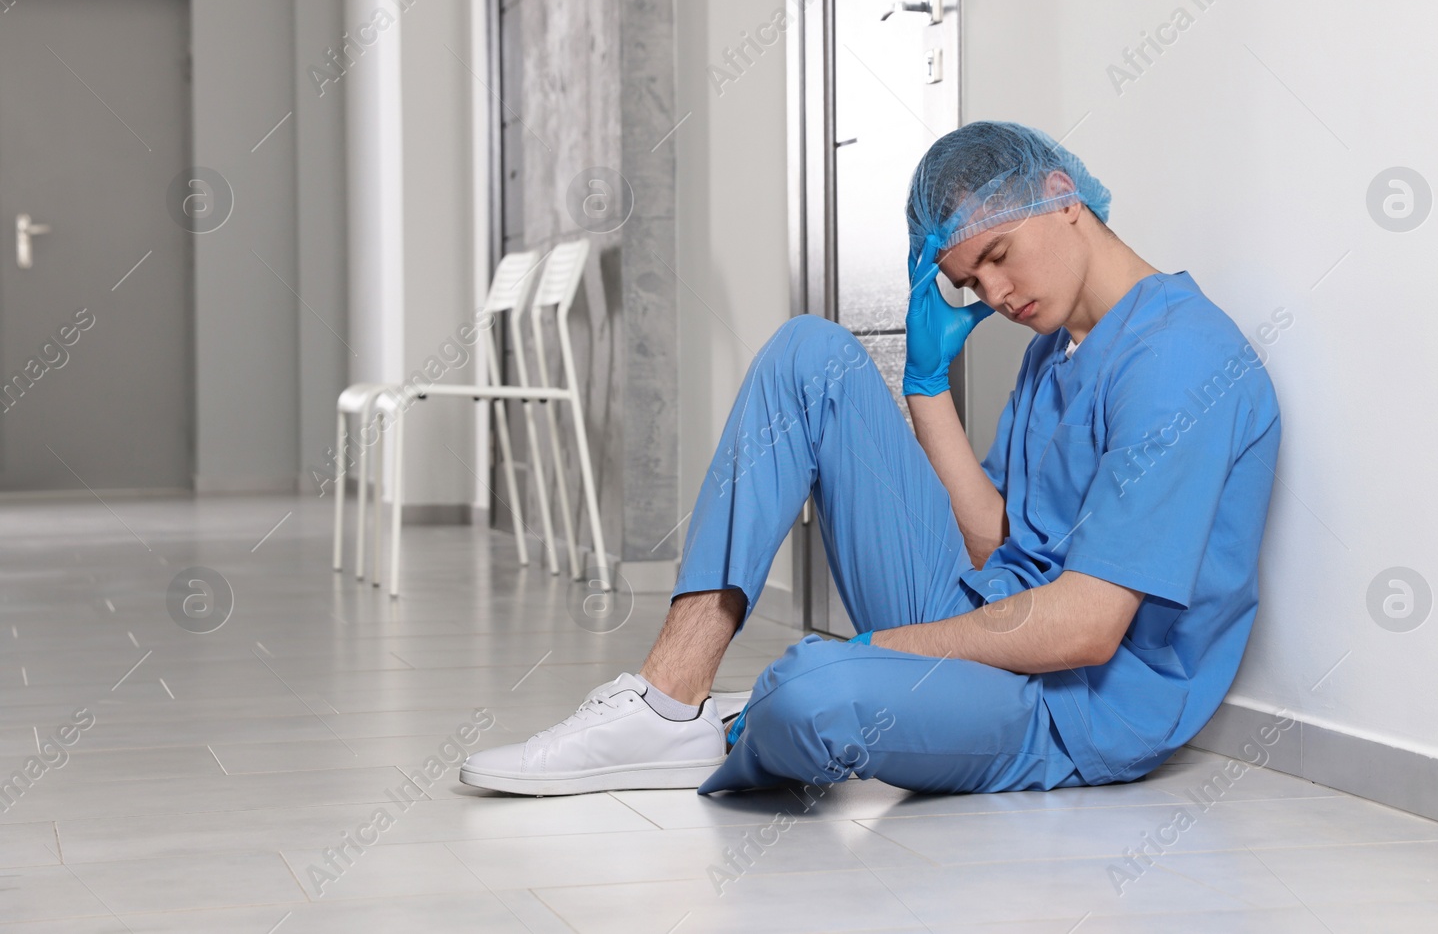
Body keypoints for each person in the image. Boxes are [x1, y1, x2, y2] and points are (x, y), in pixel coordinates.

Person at [460, 120, 1282, 797]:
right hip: (996, 616)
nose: (994, 294)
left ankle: (745, 717)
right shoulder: (1059, 343)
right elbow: (1000, 543)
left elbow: (1086, 627)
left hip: (1072, 702)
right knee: (807, 351)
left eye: (997, 255)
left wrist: (878, 651)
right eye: (970, 280)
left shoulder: (1180, 361)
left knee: (816, 694)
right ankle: (670, 700)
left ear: (1062, 196)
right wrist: (926, 388)